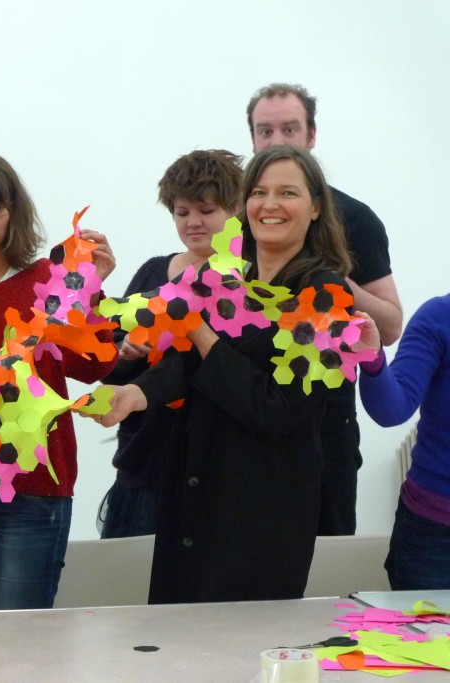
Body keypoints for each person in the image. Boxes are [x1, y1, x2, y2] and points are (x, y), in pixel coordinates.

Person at [100, 146, 353, 603]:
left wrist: (195, 325)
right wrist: (137, 394)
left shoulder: (326, 298)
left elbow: (275, 407)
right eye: (259, 192)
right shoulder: (233, 277)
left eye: (287, 193)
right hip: (193, 496)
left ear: (316, 207)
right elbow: (190, 364)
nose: (270, 204)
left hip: (262, 514)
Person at [0, 150, 117, 611]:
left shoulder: (52, 281)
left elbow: (93, 364)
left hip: (36, 481)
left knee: (22, 632)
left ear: (15, 210)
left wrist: (90, 286)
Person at [247, 84, 403, 535]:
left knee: (321, 581)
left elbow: (389, 327)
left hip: (325, 425)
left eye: (289, 128)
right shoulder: (241, 221)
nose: (277, 140)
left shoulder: (356, 218)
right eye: (265, 130)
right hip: (246, 422)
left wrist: (334, 282)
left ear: (312, 135)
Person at [98, 149, 243, 539]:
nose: (193, 222)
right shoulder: (152, 270)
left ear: (234, 208)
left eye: (206, 210)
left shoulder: (246, 282)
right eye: (182, 212)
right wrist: (125, 349)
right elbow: (105, 360)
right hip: (143, 460)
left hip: (211, 466)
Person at [357, 296, 450, 590]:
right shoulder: (439, 316)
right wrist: (372, 360)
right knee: (423, 637)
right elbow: (392, 409)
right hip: (434, 533)